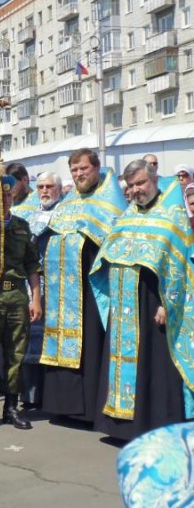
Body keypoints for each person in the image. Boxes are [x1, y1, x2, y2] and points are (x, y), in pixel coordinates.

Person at [90, 159, 194, 440]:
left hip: (152, 302)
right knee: (122, 361)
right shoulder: (128, 215)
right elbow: (108, 253)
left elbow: (181, 266)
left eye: (141, 183)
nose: (137, 190)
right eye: (132, 185)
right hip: (124, 302)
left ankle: (154, 424)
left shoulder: (173, 216)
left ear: (155, 180)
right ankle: (122, 427)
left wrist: (166, 302)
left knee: (153, 364)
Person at [40, 148, 127, 425]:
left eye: (84, 169)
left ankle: (89, 408)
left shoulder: (110, 204)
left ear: (97, 168)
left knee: (91, 343)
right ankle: (62, 405)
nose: (79, 174)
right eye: (75, 170)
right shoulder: (66, 203)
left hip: (92, 290)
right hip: (61, 292)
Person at [0, 176, 42, 433]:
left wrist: (35, 298)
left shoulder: (22, 227)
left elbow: (32, 266)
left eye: (8, 196)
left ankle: (12, 408)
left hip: (16, 298)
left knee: (16, 355)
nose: (4, 201)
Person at [16, 171, 63, 408]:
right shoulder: (29, 216)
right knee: (29, 339)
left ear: (59, 189)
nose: (45, 191)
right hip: (32, 283)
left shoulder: (66, 215)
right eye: (41, 186)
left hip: (59, 286)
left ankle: (51, 395)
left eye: (50, 186)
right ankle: (30, 395)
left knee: (52, 339)